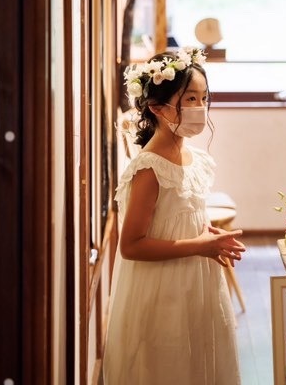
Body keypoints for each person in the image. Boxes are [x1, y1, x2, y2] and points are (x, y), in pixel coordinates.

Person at [104, 47, 245, 384]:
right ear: (157, 107)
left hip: (198, 281)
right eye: (189, 100)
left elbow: (179, 215)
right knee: (168, 363)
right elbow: (132, 246)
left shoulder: (194, 158)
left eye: (203, 98)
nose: (199, 108)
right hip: (161, 288)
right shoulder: (149, 168)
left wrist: (205, 232)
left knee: (200, 361)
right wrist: (199, 245)